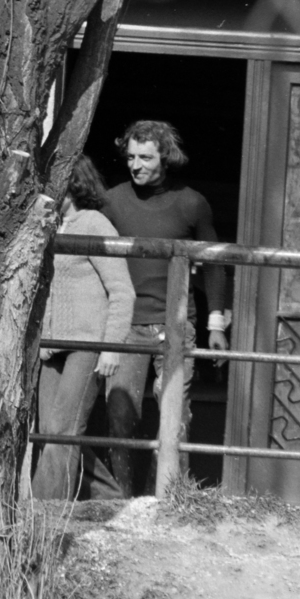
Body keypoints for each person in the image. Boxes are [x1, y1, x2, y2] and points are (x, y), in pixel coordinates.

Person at [97, 119, 227, 497]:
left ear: (166, 158)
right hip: (126, 325)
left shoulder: (191, 203)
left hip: (176, 325)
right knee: (120, 413)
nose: (136, 165)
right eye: (131, 156)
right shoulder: (112, 200)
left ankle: (168, 500)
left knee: (173, 418)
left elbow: (216, 263)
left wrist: (215, 326)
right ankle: (119, 500)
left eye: (146, 157)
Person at [32, 156, 135, 501]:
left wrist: (111, 348)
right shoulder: (47, 225)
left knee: (63, 433)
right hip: (51, 347)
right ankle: (110, 499)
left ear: (71, 183)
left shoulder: (94, 223)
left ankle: (43, 516)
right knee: (51, 432)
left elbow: (123, 291)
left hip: (86, 345)